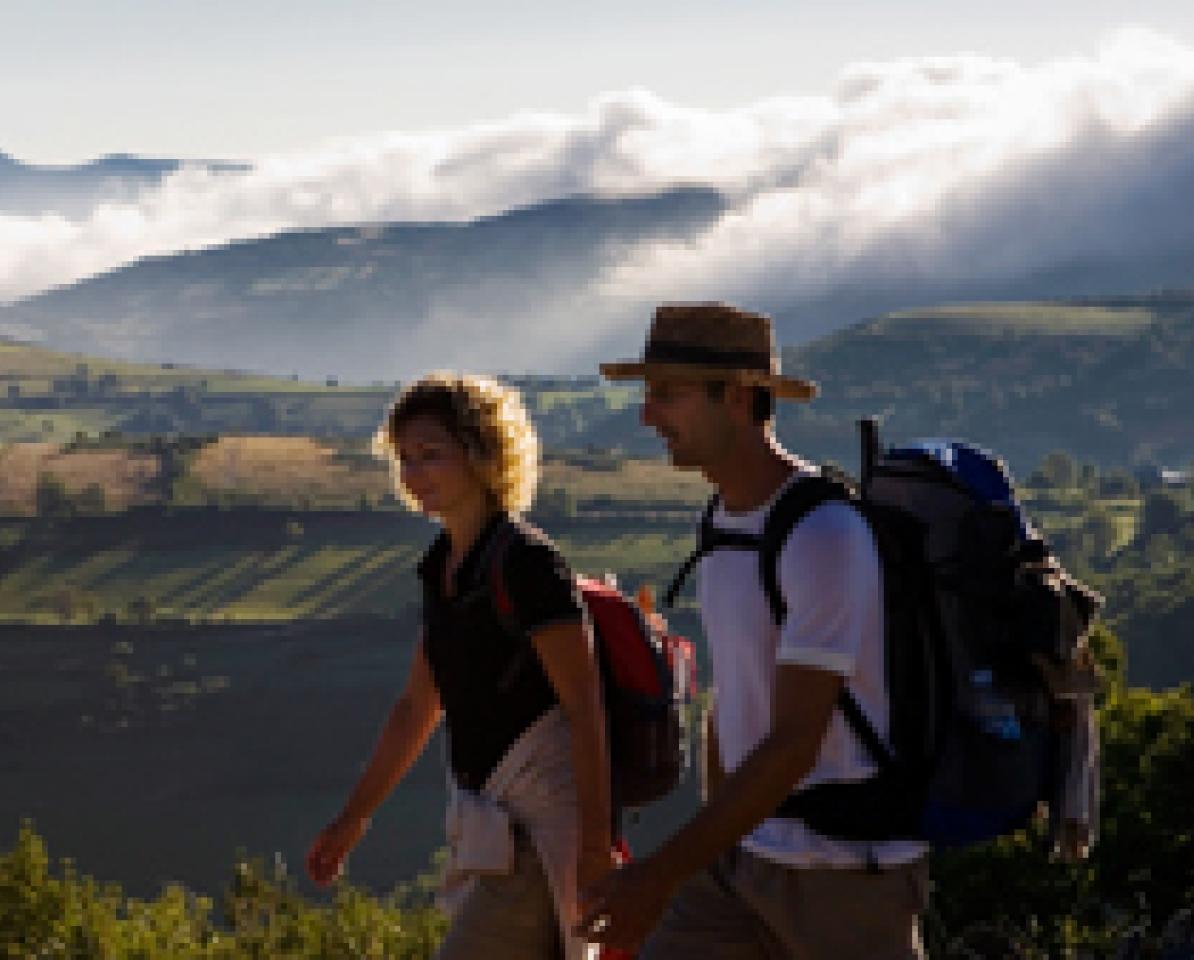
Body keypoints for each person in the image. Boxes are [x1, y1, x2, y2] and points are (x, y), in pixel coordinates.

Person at [578, 303, 930, 959]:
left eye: (667, 395)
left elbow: (795, 741)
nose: (647, 416)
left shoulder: (823, 534)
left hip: (843, 875)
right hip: (745, 859)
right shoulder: (725, 520)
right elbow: (731, 700)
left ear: (738, 398)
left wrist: (661, 873)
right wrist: (720, 847)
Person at [305, 371, 613, 960]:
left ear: (482, 452)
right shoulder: (444, 565)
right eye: (404, 458)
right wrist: (352, 821)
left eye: (431, 455)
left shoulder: (528, 564)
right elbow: (417, 706)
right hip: (490, 831)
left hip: (537, 834)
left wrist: (595, 846)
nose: (414, 474)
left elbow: (584, 706)